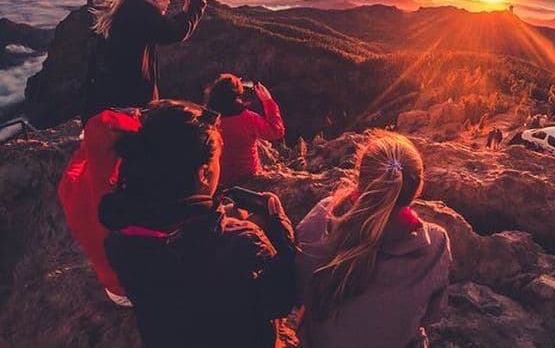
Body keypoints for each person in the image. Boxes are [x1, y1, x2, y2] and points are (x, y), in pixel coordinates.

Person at [99, 100, 296, 347]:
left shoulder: (121, 239)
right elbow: (280, 300)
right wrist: (280, 229)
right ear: (203, 173)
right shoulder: (241, 241)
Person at [295, 131, 452, 348]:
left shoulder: (325, 216)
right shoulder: (434, 244)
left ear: (360, 177)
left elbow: (299, 282)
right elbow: (432, 314)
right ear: (418, 187)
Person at [90, 0, 206, 111]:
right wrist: (194, 9)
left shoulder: (133, 9)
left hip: (117, 92)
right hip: (130, 97)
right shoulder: (142, 13)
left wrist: (184, 14)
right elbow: (175, 32)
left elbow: (165, 26)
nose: (169, 1)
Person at [59, 108, 141, 306]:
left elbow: (79, 161)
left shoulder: (69, 186)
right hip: (141, 288)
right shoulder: (129, 194)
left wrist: (87, 143)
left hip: (114, 290)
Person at [204, 74, 286, 186]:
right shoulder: (249, 119)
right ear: (237, 95)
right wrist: (268, 101)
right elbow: (277, 131)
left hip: (218, 179)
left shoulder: (207, 119)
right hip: (248, 178)